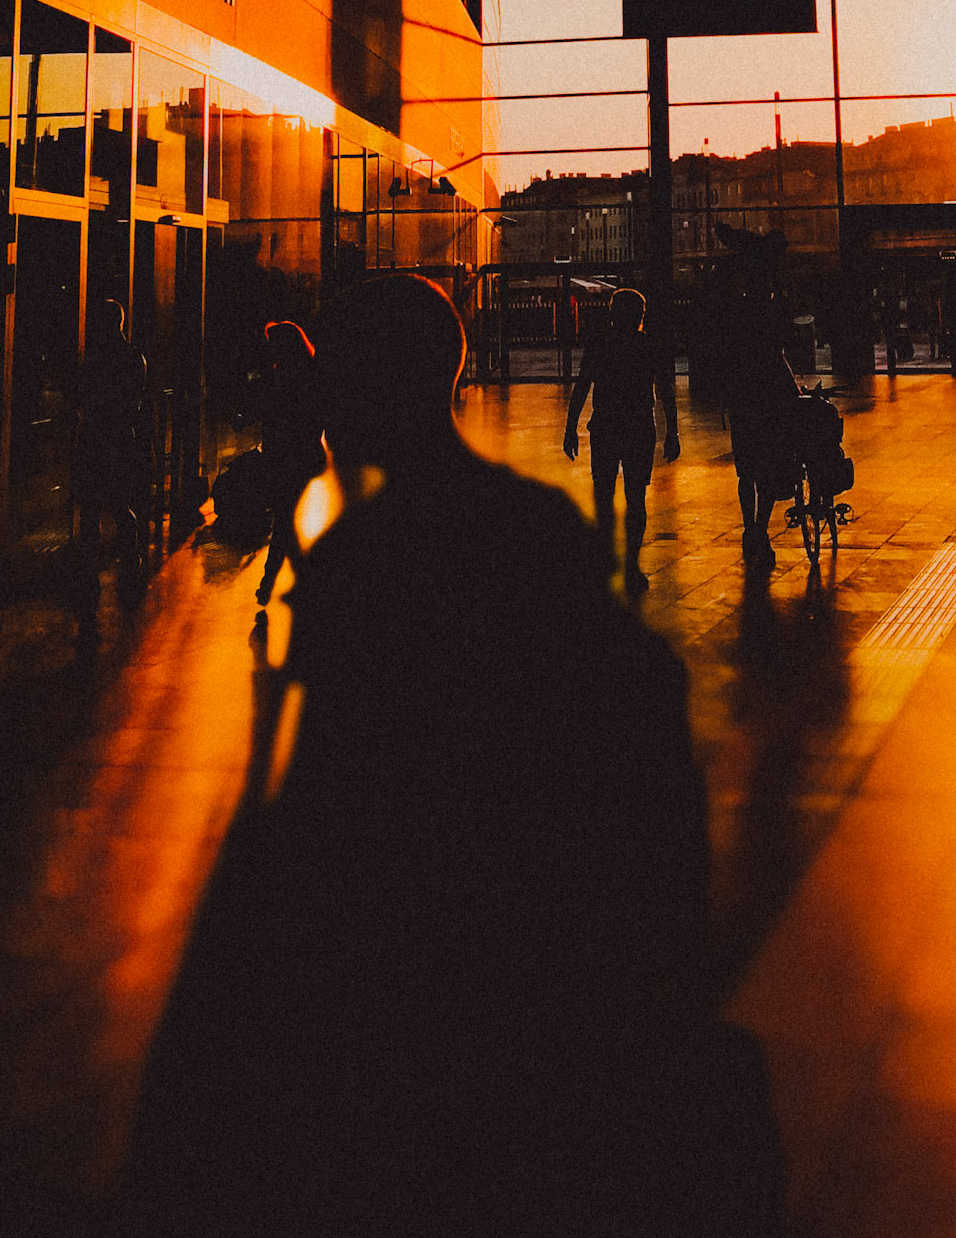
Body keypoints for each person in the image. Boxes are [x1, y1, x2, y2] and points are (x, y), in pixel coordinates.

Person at [124, 275, 781, 1237]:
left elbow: (311, 826)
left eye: (332, 378)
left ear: (361, 389)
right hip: (536, 1021)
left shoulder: (373, 567)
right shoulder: (527, 538)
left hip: (426, 1024)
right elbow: (646, 772)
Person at [564, 287, 680, 594]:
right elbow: (666, 391)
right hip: (639, 427)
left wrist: (570, 427)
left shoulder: (600, 344)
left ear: (613, 314)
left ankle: (606, 557)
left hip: (605, 426)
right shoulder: (649, 345)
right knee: (635, 498)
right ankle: (632, 564)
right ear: (641, 316)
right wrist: (673, 432)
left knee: (604, 494)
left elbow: (582, 387)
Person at [69, 298, 148, 636]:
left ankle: (88, 576)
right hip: (119, 440)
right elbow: (133, 403)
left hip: (94, 440)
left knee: (89, 511)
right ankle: (131, 566)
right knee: (120, 506)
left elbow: (81, 397)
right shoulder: (133, 359)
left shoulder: (94, 360)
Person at [721, 242, 801, 570]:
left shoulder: (736, 317)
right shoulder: (771, 319)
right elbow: (779, 355)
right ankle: (760, 529)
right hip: (770, 403)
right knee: (767, 471)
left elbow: (728, 357)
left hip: (743, 403)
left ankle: (749, 528)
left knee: (746, 473)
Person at [253, 319, 325, 612]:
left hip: (282, 459)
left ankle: (271, 581)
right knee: (296, 522)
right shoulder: (311, 375)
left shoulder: (275, 378)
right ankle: (300, 582)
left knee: (284, 522)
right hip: (307, 458)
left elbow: (265, 415)